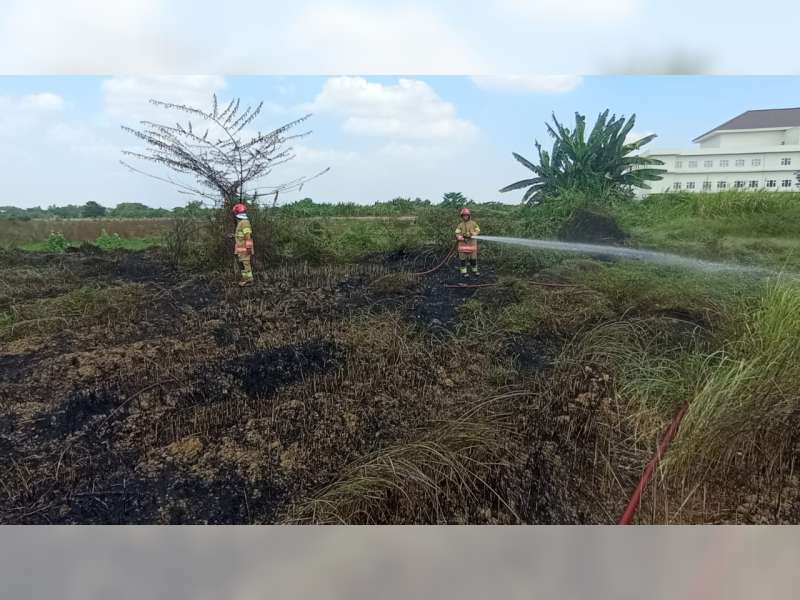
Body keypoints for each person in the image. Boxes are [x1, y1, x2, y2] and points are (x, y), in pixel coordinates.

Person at [231, 202, 254, 287]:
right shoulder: (241, 222)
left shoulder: (244, 222)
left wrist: (248, 248)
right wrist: (234, 236)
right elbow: (241, 234)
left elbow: (248, 235)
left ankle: (249, 280)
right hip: (241, 248)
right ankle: (246, 278)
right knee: (243, 264)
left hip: (244, 248)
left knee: (246, 264)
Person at [455, 207, 480, 277]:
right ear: (462, 216)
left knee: (473, 259)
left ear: (469, 216)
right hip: (463, 244)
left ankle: (474, 270)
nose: (465, 216)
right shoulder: (460, 225)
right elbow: (457, 232)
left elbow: (478, 229)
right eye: (464, 215)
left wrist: (475, 233)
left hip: (472, 244)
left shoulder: (473, 223)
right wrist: (459, 236)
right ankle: (464, 272)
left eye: (466, 215)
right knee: (463, 259)